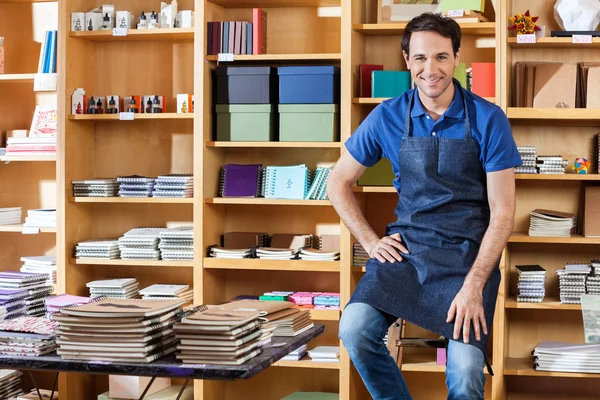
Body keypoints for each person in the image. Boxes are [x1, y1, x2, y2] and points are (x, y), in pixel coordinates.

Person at [327, 13, 522, 400]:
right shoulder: (387, 116)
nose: (430, 69)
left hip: (467, 260)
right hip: (408, 255)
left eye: (441, 57)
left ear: (456, 58)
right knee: (354, 327)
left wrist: (474, 284)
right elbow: (337, 182)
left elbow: (503, 212)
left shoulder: (488, 119)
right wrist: (369, 242)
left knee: (466, 375)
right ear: (406, 60)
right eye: (420, 58)